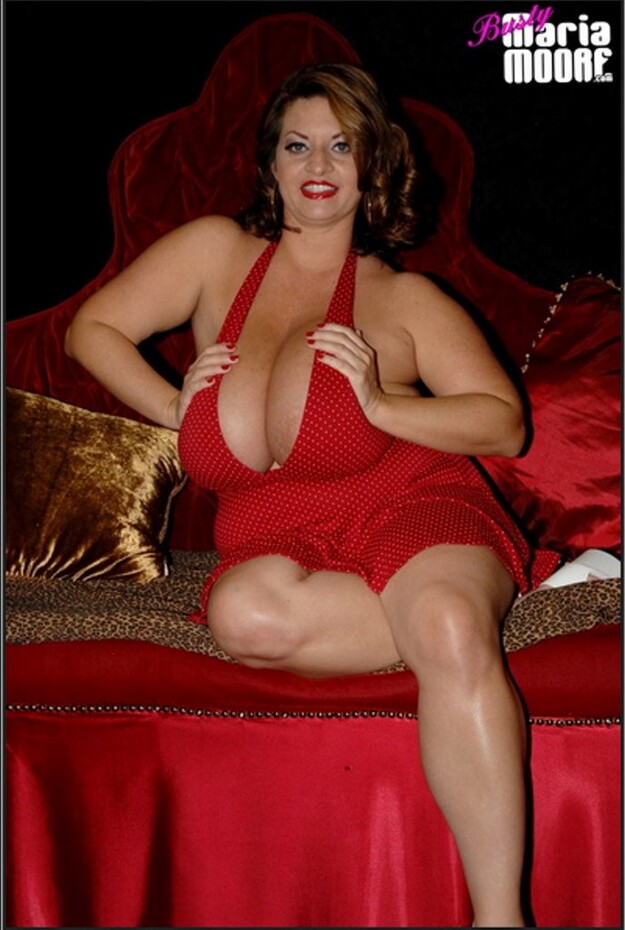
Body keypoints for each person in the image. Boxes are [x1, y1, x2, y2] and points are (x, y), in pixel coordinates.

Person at [65, 62, 543, 928]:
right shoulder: (215, 255)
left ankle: (499, 918)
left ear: (373, 166)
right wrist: (173, 406)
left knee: (445, 623)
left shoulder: (401, 297)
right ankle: (459, 616)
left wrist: (381, 405)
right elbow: (90, 328)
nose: (317, 164)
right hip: (276, 538)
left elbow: (501, 424)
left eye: (341, 145)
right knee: (244, 617)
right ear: (271, 163)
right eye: (297, 145)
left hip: (414, 508)